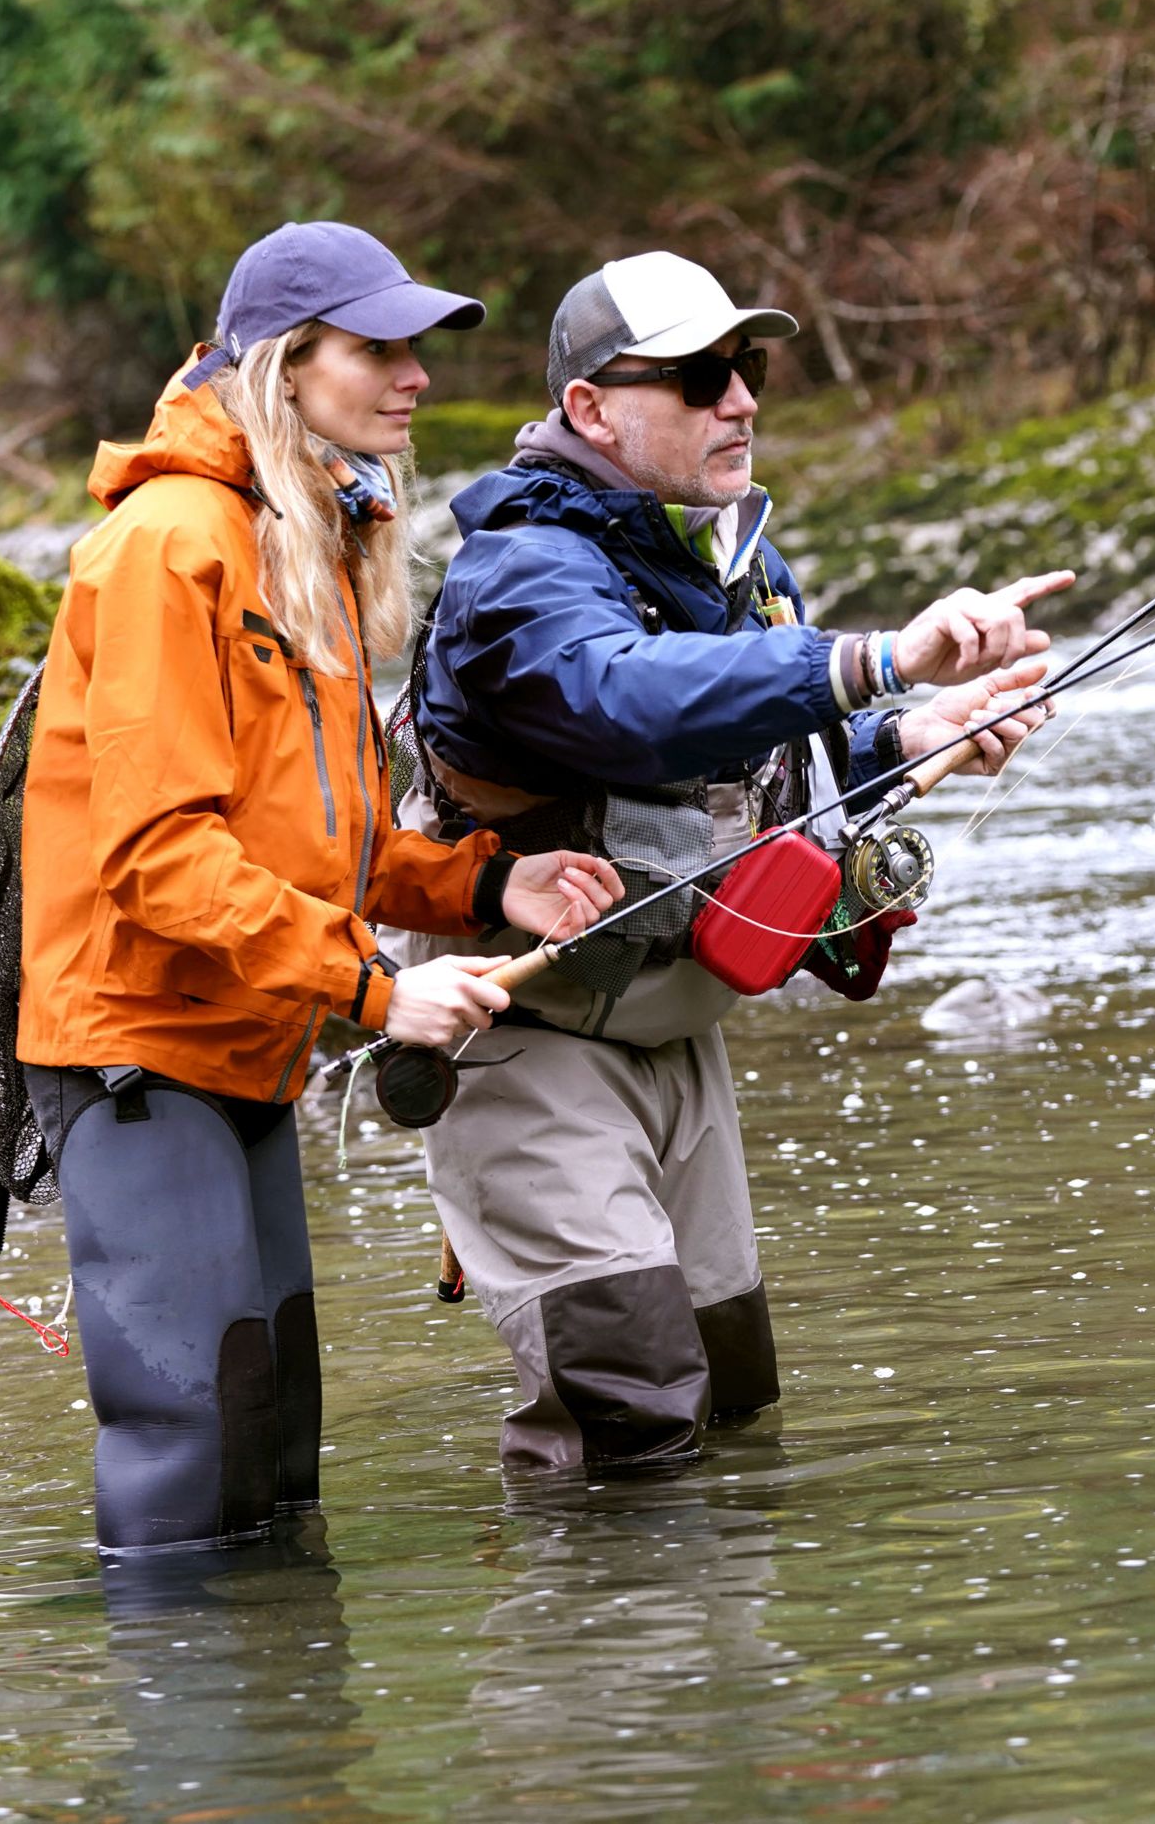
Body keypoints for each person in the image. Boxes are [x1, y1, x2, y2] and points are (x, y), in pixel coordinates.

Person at [391, 250, 1069, 1473]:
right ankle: (598, 1655)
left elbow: (763, 758)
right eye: (701, 376)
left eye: (744, 368)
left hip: (674, 1033)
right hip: (531, 1039)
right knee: (630, 1425)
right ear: (591, 408)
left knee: (733, 1399)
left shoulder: (727, 555)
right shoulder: (516, 574)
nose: (741, 401)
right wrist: (870, 659)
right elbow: (622, 702)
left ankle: (719, 1666)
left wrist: (912, 735)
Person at [13, 221, 623, 1554]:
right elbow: (159, 855)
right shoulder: (172, 545)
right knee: (191, 1439)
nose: (415, 376)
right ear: (288, 365)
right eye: (379, 348)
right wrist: (377, 987)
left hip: (247, 1029)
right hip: (137, 1042)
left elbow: (321, 838)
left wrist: (489, 882)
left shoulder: (313, 536)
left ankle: (292, 1749)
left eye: (418, 349)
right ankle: (197, 1739)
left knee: (278, 1439)